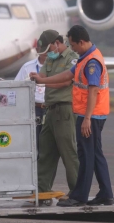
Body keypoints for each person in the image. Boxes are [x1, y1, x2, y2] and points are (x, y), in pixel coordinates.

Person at [30, 25, 114, 207]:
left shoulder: (92, 62)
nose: (72, 48)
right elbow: (67, 75)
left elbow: (93, 91)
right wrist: (42, 80)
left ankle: (79, 196)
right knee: (96, 155)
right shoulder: (85, 59)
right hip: (90, 114)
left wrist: (86, 119)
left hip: (91, 116)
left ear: (81, 42)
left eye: (73, 45)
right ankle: (106, 194)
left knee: (86, 157)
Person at [31, 29, 79, 195]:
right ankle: (42, 191)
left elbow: (66, 82)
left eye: (48, 50)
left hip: (64, 109)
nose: (46, 55)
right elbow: (42, 74)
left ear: (57, 43)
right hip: (49, 111)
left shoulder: (72, 58)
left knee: (68, 153)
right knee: (46, 153)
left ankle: (77, 191)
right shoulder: (50, 60)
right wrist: (35, 77)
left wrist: (42, 81)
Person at [14, 47, 47, 153]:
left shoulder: (58, 67)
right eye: (44, 49)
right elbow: (16, 88)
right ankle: (37, 168)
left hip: (51, 109)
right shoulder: (28, 67)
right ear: (39, 50)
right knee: (33, 143)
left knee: (49, 145)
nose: (47, 52)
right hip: (34, 109)